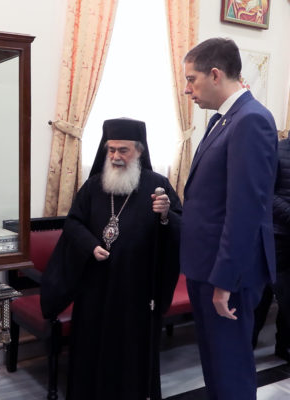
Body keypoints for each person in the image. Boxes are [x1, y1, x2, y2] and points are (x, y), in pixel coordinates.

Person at [40, 118, 182, 400]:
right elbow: (73, 223)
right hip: (95, 286)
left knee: (130, 350)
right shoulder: (94, 186)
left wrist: (166, 215)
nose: (116, 156)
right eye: (111, 149)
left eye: (123, 150)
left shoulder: (158, 186)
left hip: (137, 288)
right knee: (92, 345)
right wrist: (90, 245)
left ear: (139, 151)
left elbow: (179, 228)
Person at [180, 37, 278, 399]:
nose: (187, 89)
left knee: (230, 368)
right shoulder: (223, 120)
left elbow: (245, 211)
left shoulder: (251, 120)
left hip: (227, 273)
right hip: (206, 266)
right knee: (215, 365)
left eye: (191, 79)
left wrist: (225, 281)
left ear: (215, 74)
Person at [253, 138, 290, 361]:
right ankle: (247, 342)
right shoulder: (278, 150)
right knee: (263, 294)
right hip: (276, 236)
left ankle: (284, 345)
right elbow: (266, 193)